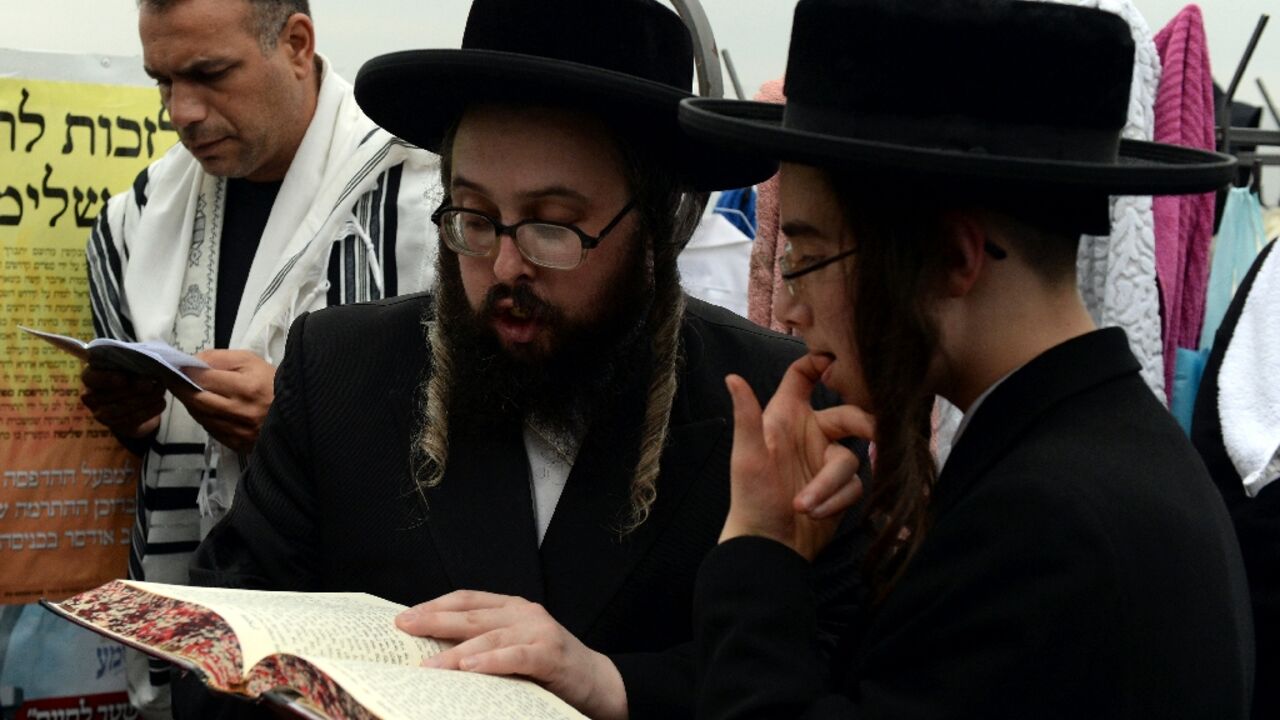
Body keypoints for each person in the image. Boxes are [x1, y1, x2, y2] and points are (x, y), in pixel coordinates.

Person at [185, 0, 862, 718]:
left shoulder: (769, 405)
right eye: (473, 218)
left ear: (653, 223)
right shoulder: (339, 371)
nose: (505, 266)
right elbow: (216, 663)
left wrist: (617, 685)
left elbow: (830, 671)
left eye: (552, 226)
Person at [678, 0, 1256, 717]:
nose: (789, 307)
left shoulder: (1045, 526)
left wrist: (761, 546)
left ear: (953, 258)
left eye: (811, 256)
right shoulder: (1095, 455)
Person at [79, 0, 438, 714]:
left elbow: (497, 450)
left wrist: (304, 424)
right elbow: (148, 450)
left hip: (373, 660)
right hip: (192, 653)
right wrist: (134, 415)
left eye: (210, 74)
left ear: (297, 45)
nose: (181, 111)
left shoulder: (422, 205)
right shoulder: (134, 220)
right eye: (163, 81)